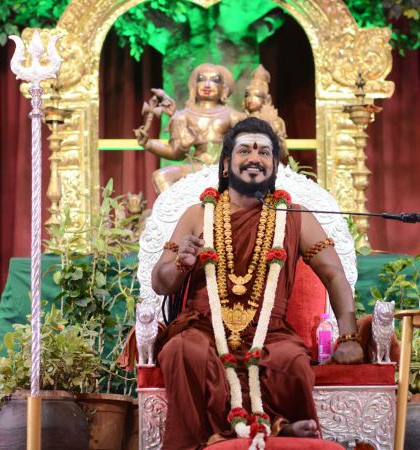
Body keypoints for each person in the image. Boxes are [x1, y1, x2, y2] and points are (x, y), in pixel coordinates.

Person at [152, 117, 363, 449]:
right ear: (226, 164)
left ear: (274, 166)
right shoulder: (197, 214)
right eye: (245, 150)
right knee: (182, 351)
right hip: (204, 326)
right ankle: (210, 440)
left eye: (265, 152)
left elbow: (334, 274)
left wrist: (349, 337)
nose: (255, 158)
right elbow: (160, 284)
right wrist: (181, 262)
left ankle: (275, 428)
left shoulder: (294, 216)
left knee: (290, 362)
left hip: (270, 331)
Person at [135, 63, 245, 193]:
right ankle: (175, 207)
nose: (207, 85)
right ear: (194, 86)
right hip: (198, 166)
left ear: (224, 89)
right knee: (160, 176)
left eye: (214, 80)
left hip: (226, 166)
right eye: (202, 79)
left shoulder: (233, 116)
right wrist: (148, 144)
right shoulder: (182, 116)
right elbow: (175, 153)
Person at [243, 64, 289, 163]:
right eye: (247, 95)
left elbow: (283, 153)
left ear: (267, 100)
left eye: (257, 95)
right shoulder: (239, 119)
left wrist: (276, 133)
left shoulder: (276, 121)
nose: (250, 99)